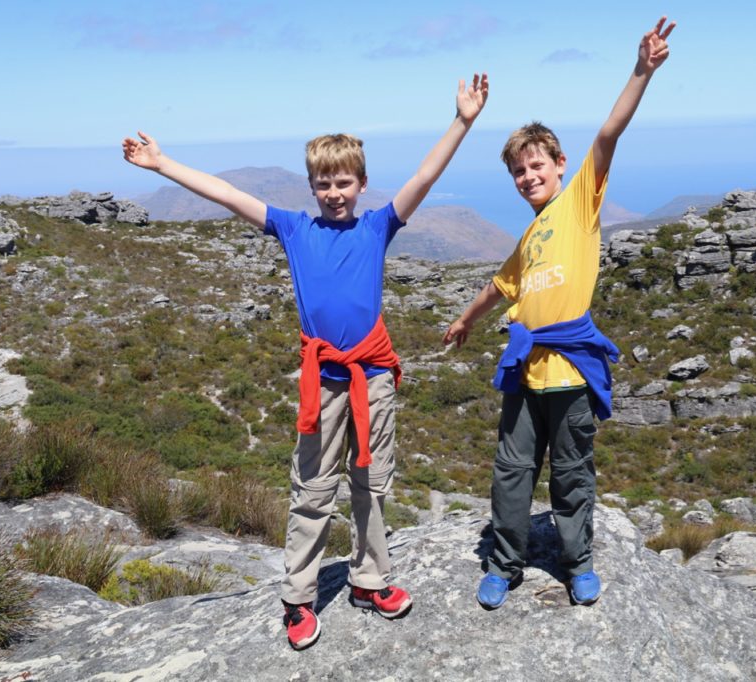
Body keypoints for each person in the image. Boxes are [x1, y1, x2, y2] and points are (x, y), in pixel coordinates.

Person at [123, 72, 489, 649]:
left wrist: (463, 121)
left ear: (362, 183)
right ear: (312, 186)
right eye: (324, 183)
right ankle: (298, 598)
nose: (334, 192)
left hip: (372, 380)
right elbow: (225, 193)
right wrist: (163, 164)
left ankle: (370, 581)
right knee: (313, 491)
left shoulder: (378, 227)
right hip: (324, 384)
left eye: (343, 182)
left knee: (372, 485)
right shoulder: (294, 229)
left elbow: (425, 176)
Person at [443, 18, 675, 610]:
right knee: (512, 472)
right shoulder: (528, 238)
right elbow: (499, 287)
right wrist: (468, 320)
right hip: (525, 373)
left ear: (558, 163)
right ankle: (504, 564)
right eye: (518, 171)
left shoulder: (579, 202)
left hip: (569, 368)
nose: (527, 177)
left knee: (572, 474)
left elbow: (608, 134)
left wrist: (641, 70)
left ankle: (577, 565)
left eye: (536, 165)